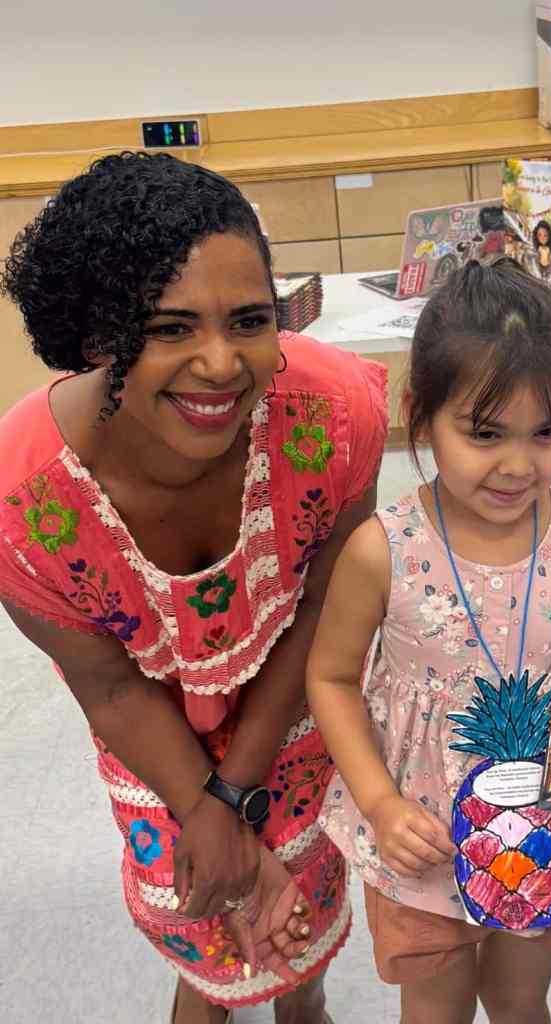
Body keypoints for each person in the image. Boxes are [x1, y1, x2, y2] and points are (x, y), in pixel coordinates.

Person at [0, 152, 388, 1024]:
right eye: (170, 328)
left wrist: (236, 796)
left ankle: (303, 1003)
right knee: (201, 907)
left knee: (302, 893)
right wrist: (203, 808)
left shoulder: (333, 416)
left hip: (302, 687)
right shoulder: (23, 505)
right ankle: (208, 995)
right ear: (97, 336)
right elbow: (110, 687)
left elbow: (324, 609)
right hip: (151, 726)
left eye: (250, 321)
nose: (221, 364)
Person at [306, 260, 551, 1024]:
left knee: (518, 999)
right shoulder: (382, 548)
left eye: (547, 431)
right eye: (484, 433)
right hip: (424, 832)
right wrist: (379, 802)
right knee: (436, 1008)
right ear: (421, 417)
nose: (518, 465)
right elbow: (330, 678)